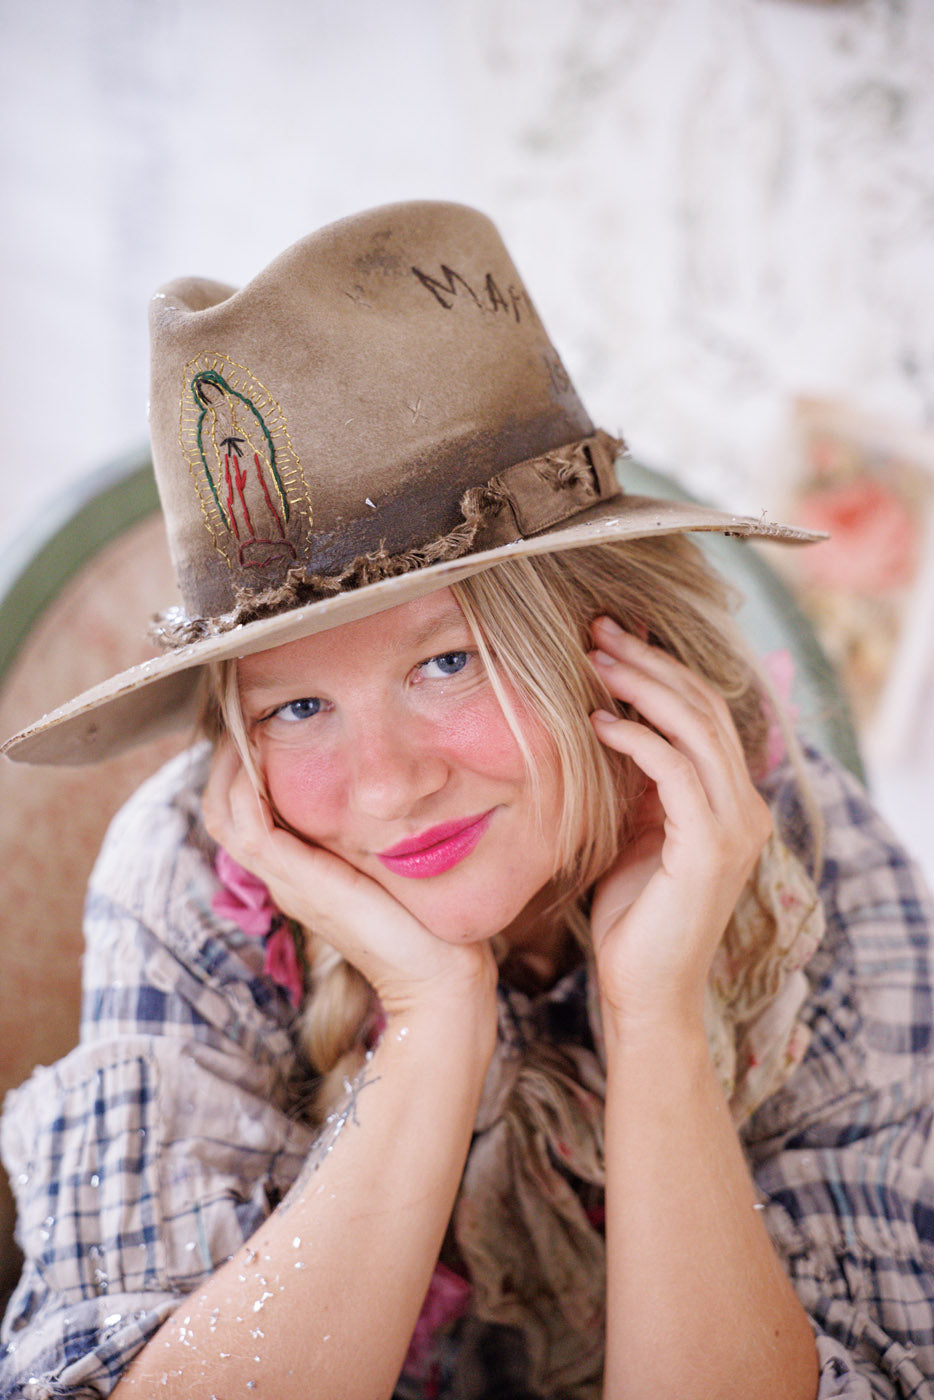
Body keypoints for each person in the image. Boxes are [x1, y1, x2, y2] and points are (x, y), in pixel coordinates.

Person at [1, 202, 932, 1400]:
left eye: (448, 662)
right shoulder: (194, 873)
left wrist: (655, 1021)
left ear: (612, 644)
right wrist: (432, 1019)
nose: (386, 784)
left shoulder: (797, 861)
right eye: (295, 708)